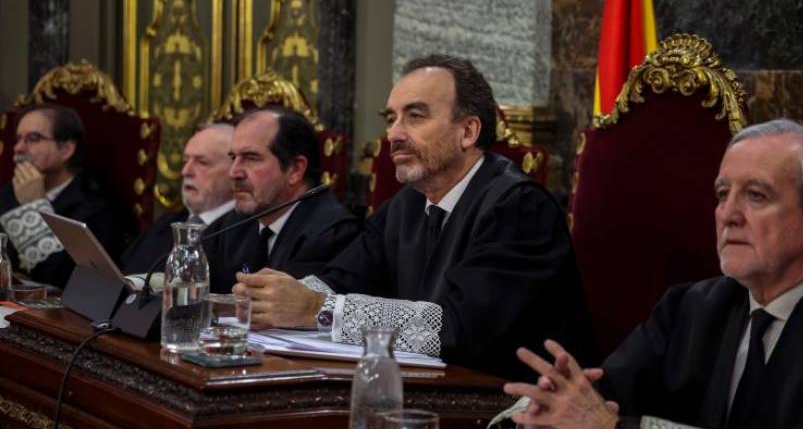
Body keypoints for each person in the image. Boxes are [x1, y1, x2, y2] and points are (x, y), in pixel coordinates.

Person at [502, 119, 803, 429]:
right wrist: (550, 414)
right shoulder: (691, 307)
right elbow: (604, 393)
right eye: (722, 194)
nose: (727, 214)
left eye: (757, 196)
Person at [233, 55, 598, 380]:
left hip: (509, 408)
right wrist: (275, 299)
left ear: (468, 131)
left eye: (415, 116)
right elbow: (342, 279)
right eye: (391, 119)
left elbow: (456, 330)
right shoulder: (406, 205)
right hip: (428, 391)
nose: (393, 134)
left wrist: (317, 309)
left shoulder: (518, 208)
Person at [204, 107, 359, 293]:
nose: (233, 173)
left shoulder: (331, 234)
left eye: (251, 158)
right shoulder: (232, 225)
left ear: (295, 170)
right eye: (233, 158)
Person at [0, 104, 123, 288]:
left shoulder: (95, 207)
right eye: (18, 139)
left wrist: (34, 206)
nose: (18, 148)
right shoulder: (10, 190)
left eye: (33, 138)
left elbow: (64, 279)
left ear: (66, 149)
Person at [121, 124, 236, 273]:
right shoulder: (166, 223)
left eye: (202, 162)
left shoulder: (244, 234)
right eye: (185, 160)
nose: (186, 171)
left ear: (235, 170)